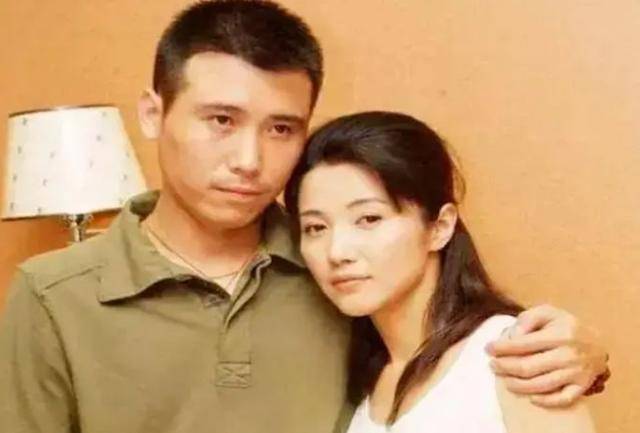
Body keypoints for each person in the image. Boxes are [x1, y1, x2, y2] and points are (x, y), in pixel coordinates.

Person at [0, 2, 608, 433]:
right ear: (154, 114)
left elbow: (455, 353)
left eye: (281, 129)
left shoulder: (336, 272)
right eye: (221, 120)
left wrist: (582, 357)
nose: (249, 160)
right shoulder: (54, 295)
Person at [285, 111, 597, 432]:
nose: (337, 252)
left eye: (369, 219)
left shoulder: (514, 355)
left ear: (440, 227)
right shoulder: (357, 379)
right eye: (316, 227)